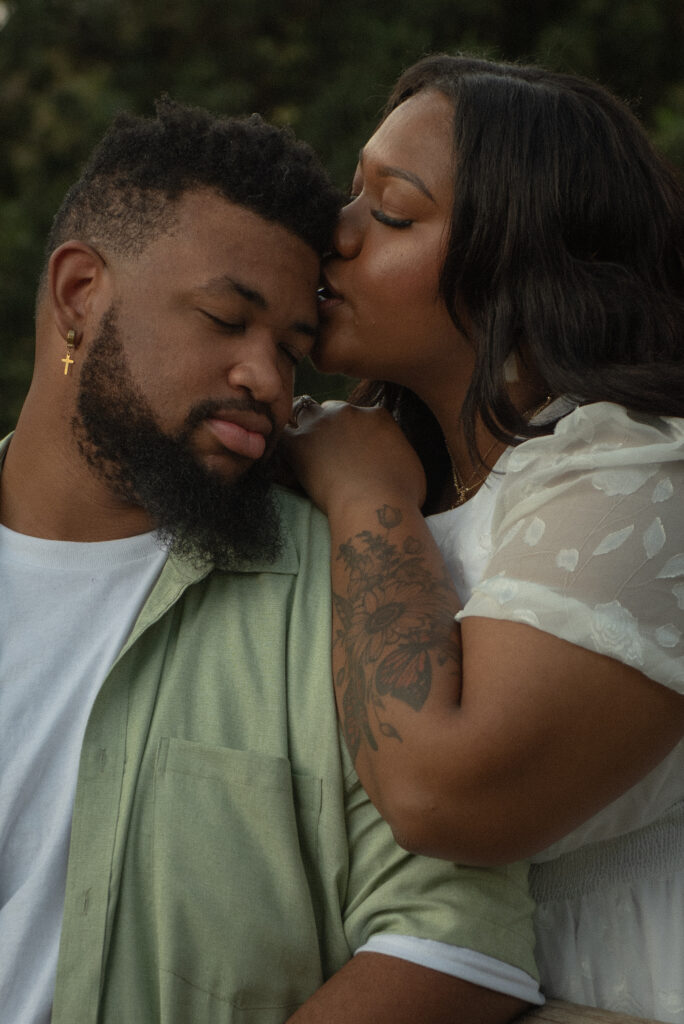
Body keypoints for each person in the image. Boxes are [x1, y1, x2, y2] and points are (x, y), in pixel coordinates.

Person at [0, 99, 545, 1024]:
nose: (269, 381)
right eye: (225, 319)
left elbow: (455, 942)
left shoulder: (351, 593)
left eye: (295, 351)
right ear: (81, 293)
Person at [284, 55, 684, 1022]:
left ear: (522, 257)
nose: (333, 234)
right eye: (352, 195)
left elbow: (443, 793)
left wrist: (363, 495)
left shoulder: (643, 473)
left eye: (391, 212)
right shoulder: (405, 467)